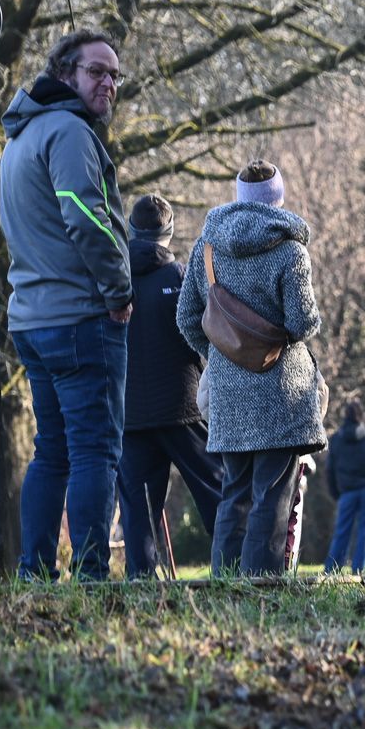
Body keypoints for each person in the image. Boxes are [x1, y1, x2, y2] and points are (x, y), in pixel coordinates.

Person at [0, 29, 134, 580]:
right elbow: (86, 216)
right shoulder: (70, 133)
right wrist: (120, 291)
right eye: (97, 71)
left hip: (33, 320)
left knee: (51, 452)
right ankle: (92, 577)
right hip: (80, 319)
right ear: (64, 74)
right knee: (95, 451)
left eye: (115, 75)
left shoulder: (21, 140)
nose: (109, 83)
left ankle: (33, 572)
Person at [176, 161, 328, 575]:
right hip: (281, 392)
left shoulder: (206, 247)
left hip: (228, 392)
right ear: (278, 197)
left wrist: (225, 352)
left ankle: (225, 583)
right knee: (272, 498)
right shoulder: (290, 249)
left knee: (234, 494)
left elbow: (187, 318)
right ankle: (262, 586)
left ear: (239, 196)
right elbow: (302, 323)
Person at [116, 193, 222, 577]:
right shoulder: (180, 277)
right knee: (217, 491)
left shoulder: (115, 280)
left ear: (130, 231)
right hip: (182, 406)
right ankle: (235, 569)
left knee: (139, 510)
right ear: (169, 233)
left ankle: (141, 583)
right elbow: (203, 333)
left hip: (131, 415)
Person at [323, 400, 365, 574]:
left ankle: (331, 570)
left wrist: (336, 493)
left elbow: (329, 470)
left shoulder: (336, 439)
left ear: (346, 416)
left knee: (342, 531)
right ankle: (358, 569)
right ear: (362, 416)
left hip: (347, 493)